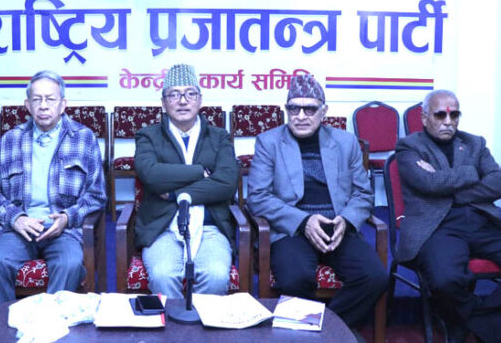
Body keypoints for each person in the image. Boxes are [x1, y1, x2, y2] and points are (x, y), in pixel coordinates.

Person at [246, 74, 387, 333]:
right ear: (286, 110)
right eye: (294, 108)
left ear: (324, 111)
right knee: (295, 278)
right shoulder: (269, 142)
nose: (301, 116)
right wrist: (304, 221)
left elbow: (363, 194)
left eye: (309, 109)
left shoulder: (345, 142)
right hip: (291, 230)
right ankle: (323, 333)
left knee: (374, 276)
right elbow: (258, 197)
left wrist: (347, 220)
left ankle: (326, 331)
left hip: (337, 227)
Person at [395, 89, 501, 343]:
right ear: (424, 117)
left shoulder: (475, 143)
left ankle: (477, 324)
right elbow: (428, 183)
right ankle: (472, 320)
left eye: (454, 115)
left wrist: (451, 190)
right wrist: (471, 173)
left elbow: (499, 183)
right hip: (437, 225)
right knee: (445, 280)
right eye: (440, 115)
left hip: (481, 220)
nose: (448, 121)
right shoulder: (409, 146)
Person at [0, 70, 106, 307]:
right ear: (27, 105)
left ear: (63, 104)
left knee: (69, 263)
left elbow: (96, 195)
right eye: (37, 99)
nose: (44, 106)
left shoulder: (83, 138)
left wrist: (67, 218)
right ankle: (6, 324)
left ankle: (51, 324)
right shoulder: (10, 140)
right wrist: (15, 218)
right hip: (19, 230)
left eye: (50, 99)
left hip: (64, 231)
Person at [134, 64, 239, 298]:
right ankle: (172, 323)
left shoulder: (219, 137)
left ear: (200, 100)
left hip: (211, 227)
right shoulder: (148, 136)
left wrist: (176, 193)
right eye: (174, 94)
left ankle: (202, 323)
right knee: (162, 276)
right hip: (162, 227)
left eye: (190, 94)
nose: (183, 101)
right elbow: (151, 175)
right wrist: (200, 172)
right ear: (164, 103)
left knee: (215, 275)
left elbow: (226, 183)